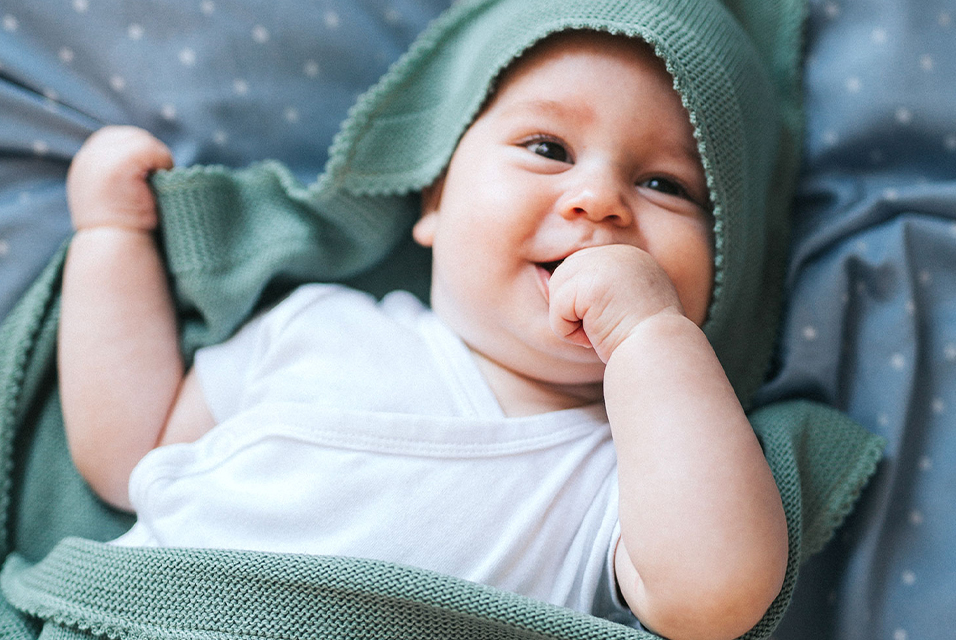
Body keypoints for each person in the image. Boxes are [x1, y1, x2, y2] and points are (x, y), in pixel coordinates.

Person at [58, 8, 792, 640]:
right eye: (548, 149)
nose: (598, 198)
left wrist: (650, 336)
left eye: (665, 184)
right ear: (436, 198)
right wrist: (110, 239)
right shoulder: (317, 324)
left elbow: (713, 600)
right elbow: (128, 453)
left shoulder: (630, 477)